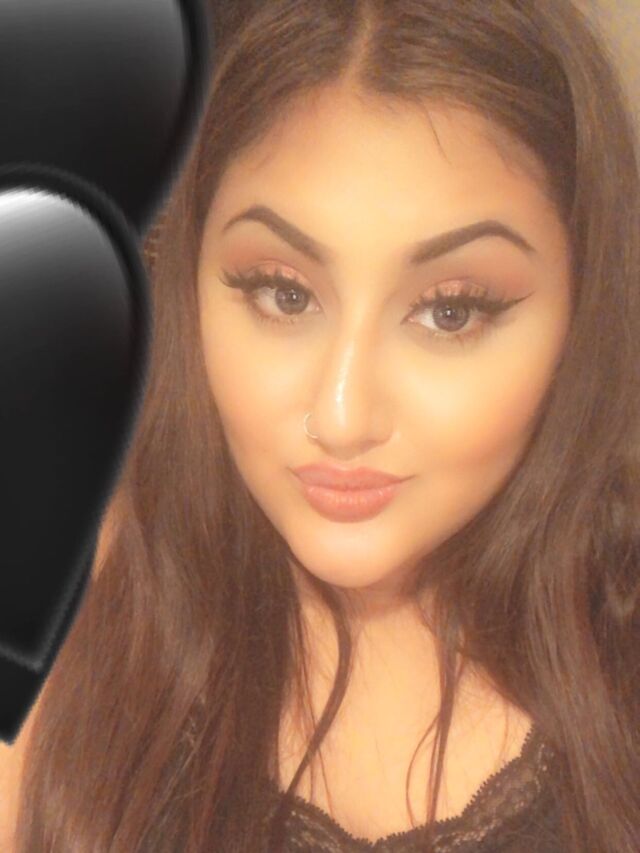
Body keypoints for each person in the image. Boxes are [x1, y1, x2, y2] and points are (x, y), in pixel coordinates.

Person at [4, 0, 639, 850]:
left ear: (582, 312)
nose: (342, 417)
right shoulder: (61, 602)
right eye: (284, 293)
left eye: (451, 311)